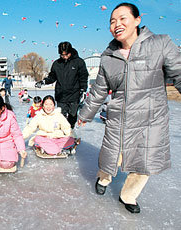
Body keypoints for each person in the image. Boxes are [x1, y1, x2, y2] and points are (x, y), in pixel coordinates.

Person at [77, 3, 181, 214]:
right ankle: (104, 178)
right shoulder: (108, 56)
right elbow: (99, 90)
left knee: (144, 163)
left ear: (137, 20)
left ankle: (128, 196)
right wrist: (86, 114)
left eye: (123, 18)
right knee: (111, 156)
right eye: (112, 21)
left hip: (151, 119)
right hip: (119, 117)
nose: (117, 24)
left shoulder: (161, 44)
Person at [35, 41, 88, 128]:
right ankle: (62, 134)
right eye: (62, 55)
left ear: (70, 52)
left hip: (74, 94)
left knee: (72, 116)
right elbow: (52, 77)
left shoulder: (79, 62)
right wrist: (44, 81)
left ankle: (70, 131)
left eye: (66, 54)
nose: (64, 57)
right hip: (61, 95)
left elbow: (83, 77)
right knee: (61, 117)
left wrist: (83, 90)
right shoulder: (57, 64)